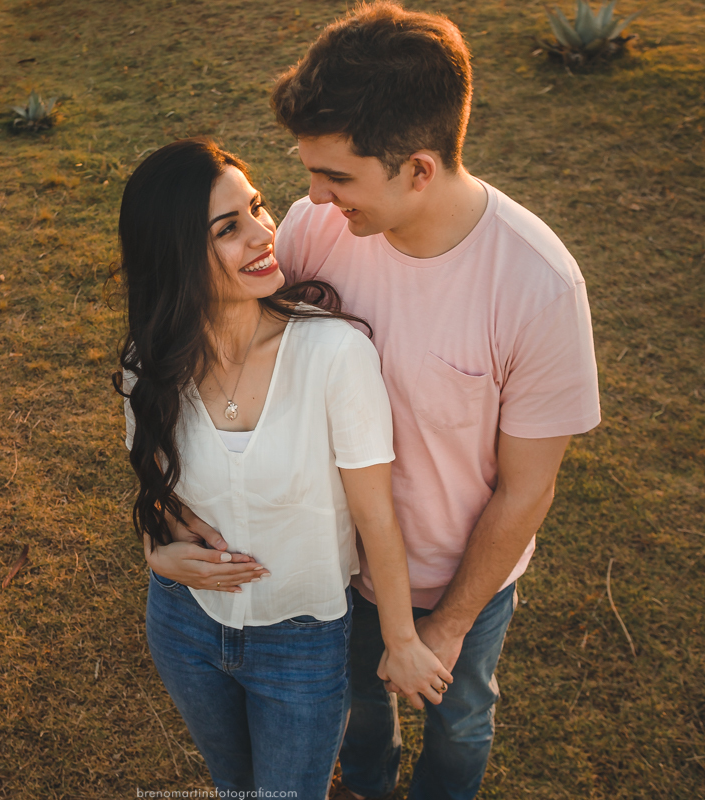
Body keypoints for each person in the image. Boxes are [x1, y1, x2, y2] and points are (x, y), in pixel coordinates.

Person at [154, 4, 602, 799]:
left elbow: (527, 488)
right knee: (360, 715)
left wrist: (447, 625)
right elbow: (219, 358)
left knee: (460, 719)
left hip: (461, 581)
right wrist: (162, 525)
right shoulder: (311, 230)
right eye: (310, 171)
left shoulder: (539, 287)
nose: (314, 198)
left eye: (337, 177)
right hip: (335, 573)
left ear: (419, 168)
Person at [115, 137, 454, 800]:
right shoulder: (147, 366)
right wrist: (157, 553)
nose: (265, 234)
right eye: (229, 228)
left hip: (300, 642)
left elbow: (374, 515)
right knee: (233, 785)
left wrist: (401, 639)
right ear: (174, 255)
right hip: (183, 625)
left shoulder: (334, 354)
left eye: (258, 209)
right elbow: (159, 494)